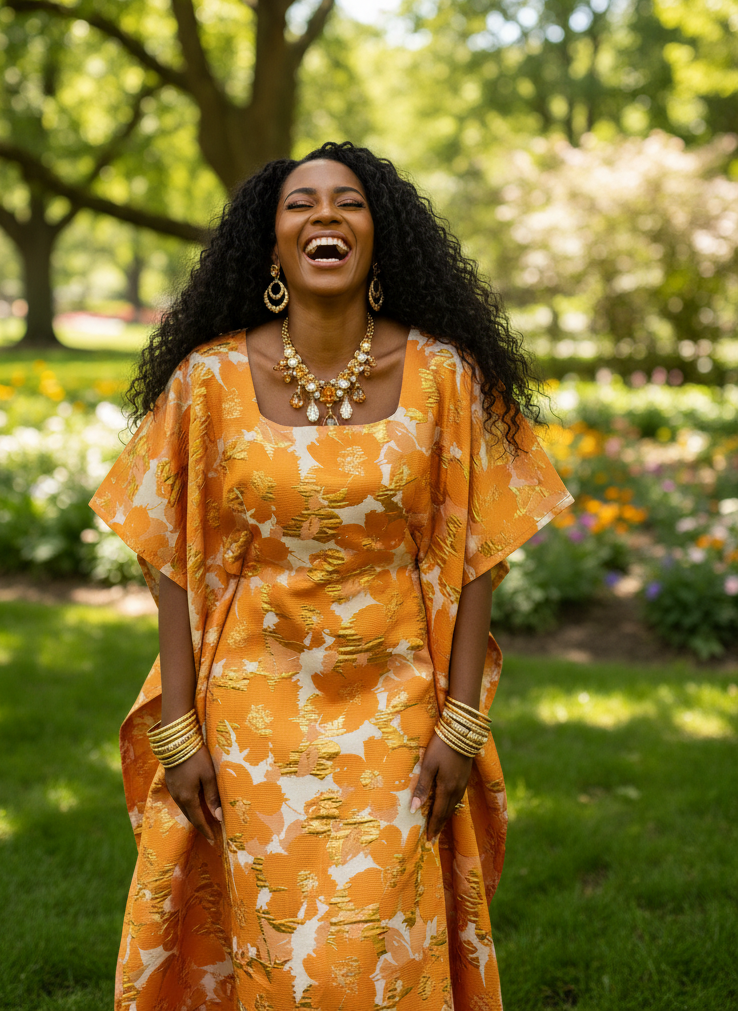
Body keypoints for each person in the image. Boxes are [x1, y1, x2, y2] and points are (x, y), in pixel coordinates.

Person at [90, 141, 573, 1011]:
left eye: (348, 202)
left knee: (369, 961)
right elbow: (165, 557)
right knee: (269, 954)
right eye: (299, 203)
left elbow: (477, 562)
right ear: (269, 245)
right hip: (247, 717)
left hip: (396, 707)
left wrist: (461, 725)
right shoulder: (206, 382)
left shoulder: (445, 378)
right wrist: (178, 726)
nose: (324, 215)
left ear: (378, 236)